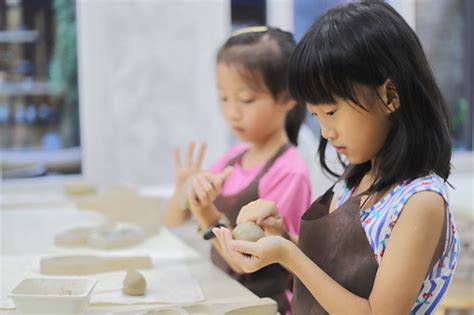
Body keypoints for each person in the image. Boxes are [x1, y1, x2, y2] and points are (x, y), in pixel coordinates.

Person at [212, 2, 460, 314]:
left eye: (331, 112)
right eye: (316, 116)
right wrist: (282, 238)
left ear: (390, 95)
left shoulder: (420, 202)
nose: (326, 131)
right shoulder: (356, 178)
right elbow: (335, 271)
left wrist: (290, 255)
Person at [163, 26, 312, 314]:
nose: (232, 112)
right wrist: (184, 190)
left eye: (245, 99)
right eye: (223, 98)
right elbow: (172, 220)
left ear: (287, 97)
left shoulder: (289, 171)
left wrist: (207, 214)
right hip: (228, 298)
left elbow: (246, 260)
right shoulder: (235, 157)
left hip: (265, 307)